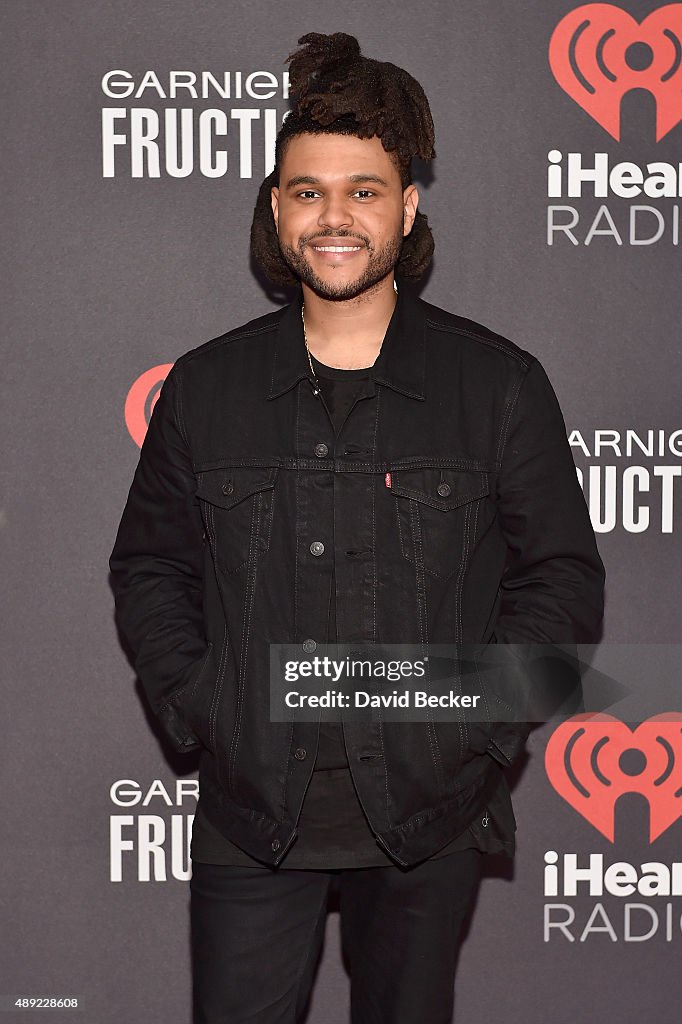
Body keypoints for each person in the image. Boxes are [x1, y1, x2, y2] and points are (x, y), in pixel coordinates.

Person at [109, 31, 605, 1024]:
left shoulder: (495, 385)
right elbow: (150, 567)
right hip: (252, 816)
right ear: (276, 208)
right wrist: (211, 705)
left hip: (428, 819)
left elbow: (559, 581)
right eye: (307, 191)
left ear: (407, 206)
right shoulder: (207, 387)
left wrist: (470, 731)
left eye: (364, 190)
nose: (334, 216)